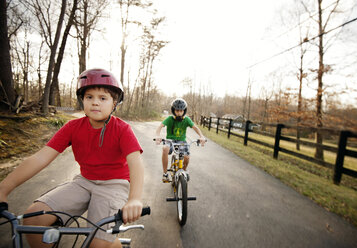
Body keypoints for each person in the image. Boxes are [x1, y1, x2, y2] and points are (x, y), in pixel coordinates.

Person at [0, 68, 144, 248]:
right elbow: (40, 158)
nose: (95, 103)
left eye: (103, 98)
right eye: (89, 97)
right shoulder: (72, 127)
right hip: (84, 181)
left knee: (97, 243)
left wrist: (134, 198)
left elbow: (136, 163)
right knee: (33, 219)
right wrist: (3, 188)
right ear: (82, 100)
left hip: (115, 184)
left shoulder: (122, 129)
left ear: (115, 103)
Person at [155, 98, 206, 182]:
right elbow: (160, 126)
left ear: (184, 111)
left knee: (186, 157)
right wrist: (157, 136)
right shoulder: (170, 119)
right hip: (170, 140)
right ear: (173, 110)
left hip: (182, 142)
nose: (179, 113)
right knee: (165, 149)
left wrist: (201, 136)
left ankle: (184, 170)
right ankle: (165, 174)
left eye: (181, 111)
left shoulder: (186, 120)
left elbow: (195, 127)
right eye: (177, 111)